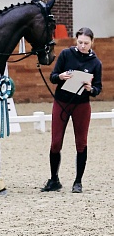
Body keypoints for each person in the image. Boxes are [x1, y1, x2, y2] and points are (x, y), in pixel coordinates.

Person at [41, 27, 102, 194]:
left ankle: (78, 181)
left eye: (86, 43)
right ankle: (54, 179)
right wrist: (60, 77)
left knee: (81, 143)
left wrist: (91, 89)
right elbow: (53, 76)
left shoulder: (96, 63)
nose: (82, 46)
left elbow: (98, 88)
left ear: (92, 43)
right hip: (62, 102)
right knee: (56, 142)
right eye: (80, 42)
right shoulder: (66, 55)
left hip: (81, 105)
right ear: (76, 40)